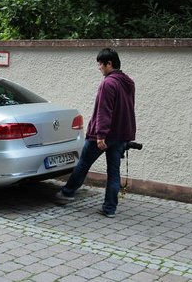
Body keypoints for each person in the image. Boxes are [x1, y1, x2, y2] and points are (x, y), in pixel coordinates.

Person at [55, 48, 136, 218]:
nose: (99, 67)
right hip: (121, 135)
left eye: (101, 64)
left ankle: (67, 193)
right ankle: (109, 209)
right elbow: (128, 109)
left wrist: (100, 135)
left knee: (83, 164)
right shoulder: (128, 82)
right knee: (114, 172)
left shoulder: (108, 83)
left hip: (103, 136)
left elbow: (104, 111)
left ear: (109, 64)